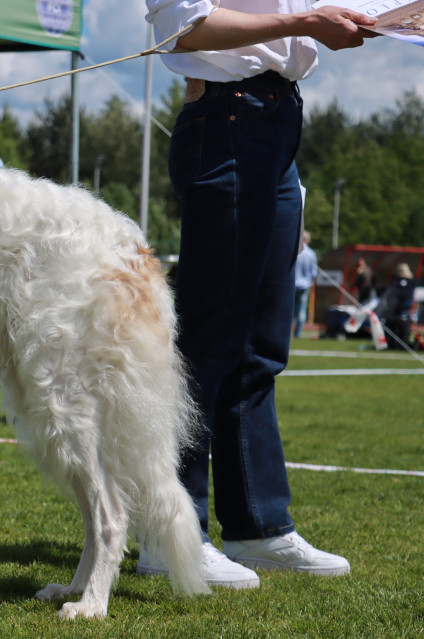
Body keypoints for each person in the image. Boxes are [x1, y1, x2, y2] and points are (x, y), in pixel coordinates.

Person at [139, 1, 375, 589]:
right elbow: (185, 23)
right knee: (207, 338)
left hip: (276, 121)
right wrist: (304, 24)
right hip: (228, 119)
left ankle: (258, 526)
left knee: (260, 346)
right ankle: (170, 534)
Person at [383, 263, 417, 349]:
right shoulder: (411, 282)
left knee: (395, 327)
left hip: (398, 310)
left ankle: (393, 344)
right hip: (402, 310)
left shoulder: (396, 282)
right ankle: (399, 345)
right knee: (399, 327)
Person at [293, 231, 317, 338]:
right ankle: (297, 333)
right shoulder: (311, 253)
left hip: (292, 284)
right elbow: (314, 272)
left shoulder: (294, 251)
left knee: (289, 310)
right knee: (301, 310)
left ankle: (287, 332)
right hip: (305, 285)